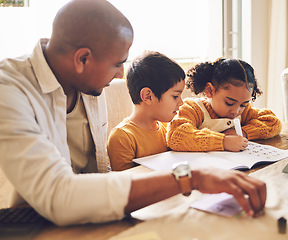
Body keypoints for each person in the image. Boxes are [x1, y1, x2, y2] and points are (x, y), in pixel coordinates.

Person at [0, 0, 266, 226]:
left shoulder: (85, 83)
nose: (120, 74)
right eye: (117, 64)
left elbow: (99, 176)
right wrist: (191, 178)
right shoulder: (8, 91)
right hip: (28, 225)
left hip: (97, 218)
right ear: (82, 59)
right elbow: (59, 196)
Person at [167, 58, 282, 152]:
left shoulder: (245, 111)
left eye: (243, 104)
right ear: (210, 91)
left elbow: (273, 122)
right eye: (229, 103)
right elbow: (176, 136)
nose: (236, 111)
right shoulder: (193, 109)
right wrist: (223, 141)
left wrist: (244, 132)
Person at [107, 51, 185, 171]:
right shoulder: (122, 137)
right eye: (175, 96)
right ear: (148, 96)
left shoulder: (169, 129)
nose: (181, 102)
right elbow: (125, 184)